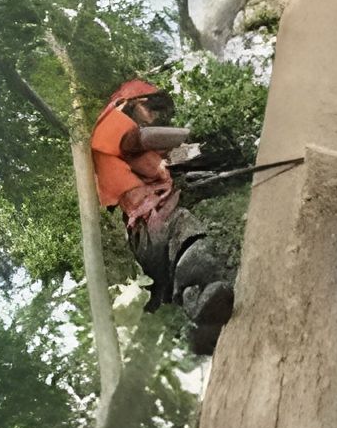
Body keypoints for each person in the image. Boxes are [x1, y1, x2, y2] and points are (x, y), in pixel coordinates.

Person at [88, 77, 238, 353]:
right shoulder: (113, 125)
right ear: (133, 104)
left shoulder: (131, 149)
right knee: (190, 243)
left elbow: (170, 160)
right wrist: (187, 133)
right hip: (150, 222)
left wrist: (202, 152)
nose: (155, 117)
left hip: (146, 233)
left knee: (180, 272)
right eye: (152, 109)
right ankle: (198, 306)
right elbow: (140, 139)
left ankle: (200, 325)